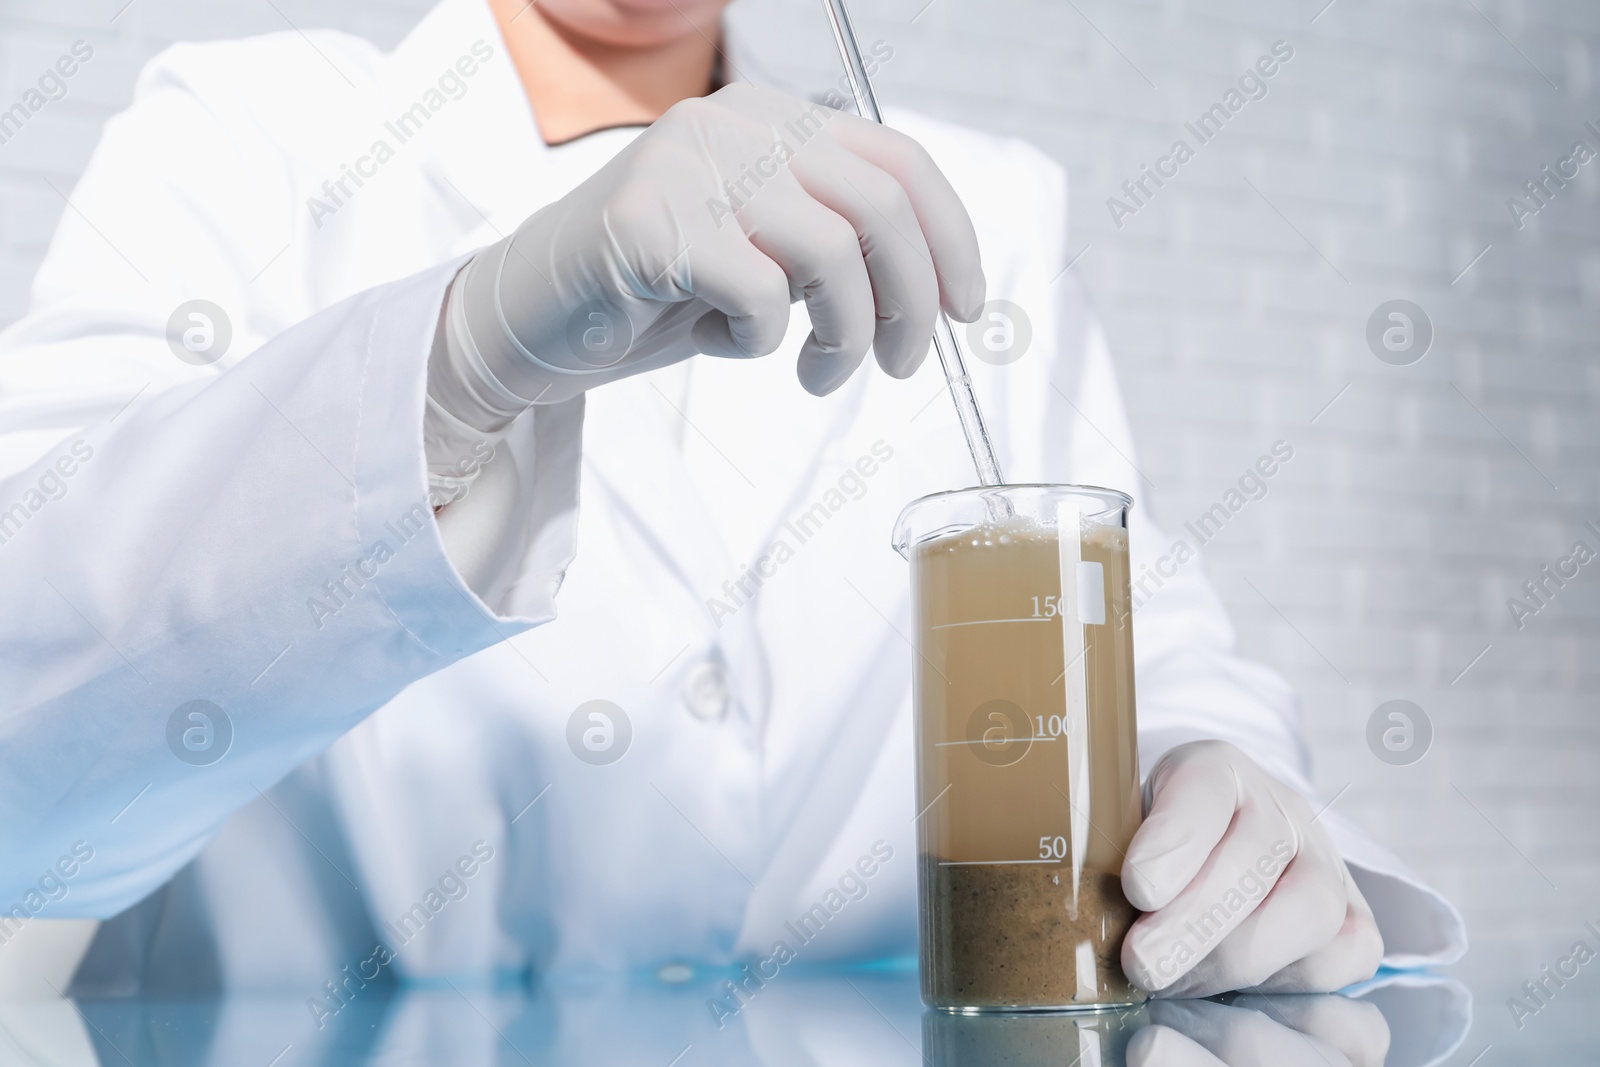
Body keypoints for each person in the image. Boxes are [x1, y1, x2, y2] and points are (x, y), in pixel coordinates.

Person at [0, 0, 1462, 1006]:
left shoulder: (986, 208)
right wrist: (462, 354)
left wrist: (1216, 778)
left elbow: (1149, 650)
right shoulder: (247, 135)